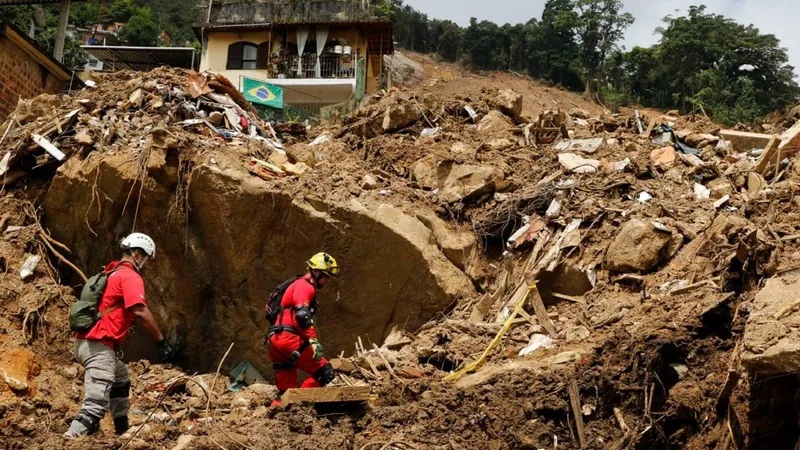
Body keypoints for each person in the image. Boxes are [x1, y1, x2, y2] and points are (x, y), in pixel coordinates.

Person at [64, 233, 175, 438]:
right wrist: (161, 341)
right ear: (137, 254)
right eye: (147, 258)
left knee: (120, 376)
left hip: (84, 344)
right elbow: (140, 311)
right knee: (95, 404)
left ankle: (122, 428)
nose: (148, 264)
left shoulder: (110, 272)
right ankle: (71, 439)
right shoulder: (130, 276)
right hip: (99, 346)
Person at [266, 252, 339, 402]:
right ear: (316, 271)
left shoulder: (295, 285)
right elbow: (302, 315)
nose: (327, 280)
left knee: (286, 393)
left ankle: (283, 413)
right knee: (325, 372)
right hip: (288, 340)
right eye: (325, 276)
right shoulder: (305, 285)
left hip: (274, 343)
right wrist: (313, 341)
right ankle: (302, 404)